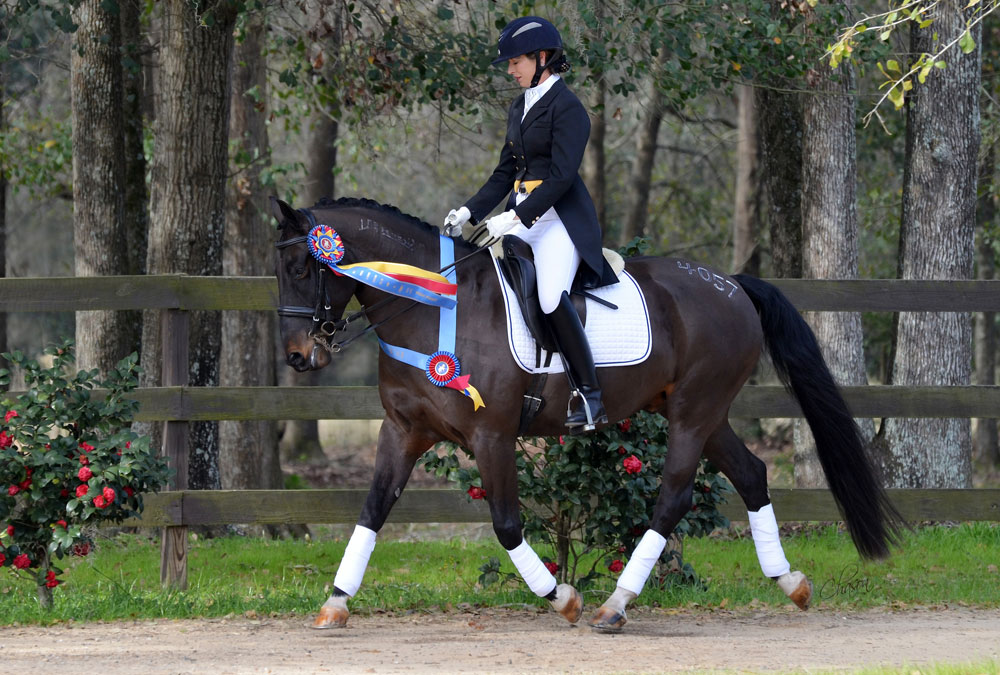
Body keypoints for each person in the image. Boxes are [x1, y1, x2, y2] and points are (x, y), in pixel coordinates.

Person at [444, 16, 617, 431]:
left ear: (542, 58)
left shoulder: (569, 109)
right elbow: (506, 172)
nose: (510, 70)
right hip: (519, 217)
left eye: (516, 61)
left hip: (558, 220)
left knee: (550, 297)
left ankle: (590, 396)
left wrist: (516, 216)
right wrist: (471, 210)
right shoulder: (519, 106)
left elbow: (560, 178)